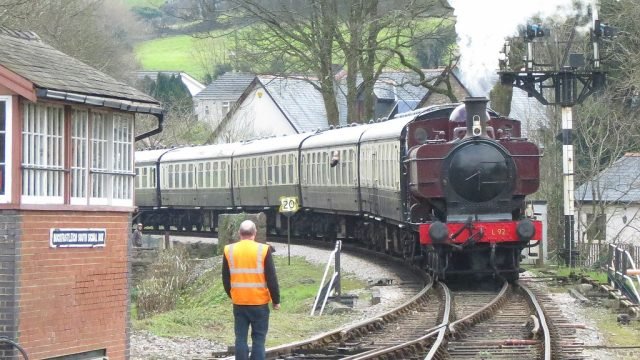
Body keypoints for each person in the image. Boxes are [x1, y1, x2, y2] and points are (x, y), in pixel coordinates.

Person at [222, 220, 280, 360]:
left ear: (239, 233)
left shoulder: (229, 250)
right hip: (259, 304)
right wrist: (276, 300)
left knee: (240, 339)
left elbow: (225, 278)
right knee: (259, 340)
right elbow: (271, 278)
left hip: (239, 303)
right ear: (255, 233)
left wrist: (234, 295)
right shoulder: (263, 250)